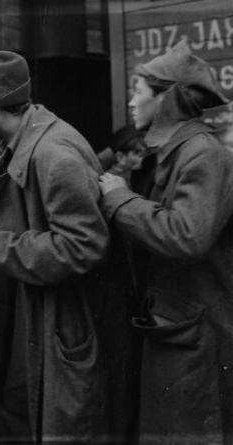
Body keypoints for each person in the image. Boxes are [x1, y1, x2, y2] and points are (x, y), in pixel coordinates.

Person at [0, 51, 112, 442]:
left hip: (61, 322)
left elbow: (82, 246)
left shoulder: (55, 154)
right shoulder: (33, 134)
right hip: (39, 316)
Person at [98, 40, 233, 444]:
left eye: (139, 92)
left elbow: (187, 235)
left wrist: (121, 199)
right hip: (175, 330)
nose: (132, 103)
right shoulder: (175, 152)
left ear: (168, 100)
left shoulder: (204, 155)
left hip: (197, 338)